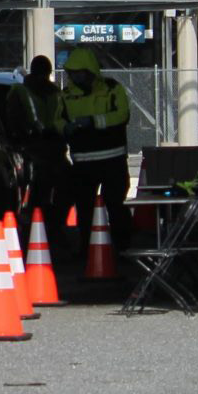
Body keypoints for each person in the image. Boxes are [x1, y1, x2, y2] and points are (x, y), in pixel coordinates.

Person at [60, 47, 132, 252]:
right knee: (84, 210)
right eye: (72, 72)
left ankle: (123, 248)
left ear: (90, 70)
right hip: (83, 163)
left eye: (79, 71)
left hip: (113, 160)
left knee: (116, 205)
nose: (74, 76)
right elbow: (58, 120)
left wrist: (93, 122)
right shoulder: (66, 96)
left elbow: (123, 115)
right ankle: (87, 250)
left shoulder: (112, 89)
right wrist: (65, 127)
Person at [6, 56, 70, 237]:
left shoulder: (24, 91)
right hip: (37, 151)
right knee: (46, 192)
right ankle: (47, 228)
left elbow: (13, 122)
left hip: (46, 150)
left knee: (46, 193)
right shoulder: (51, 92)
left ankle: (45, 228)